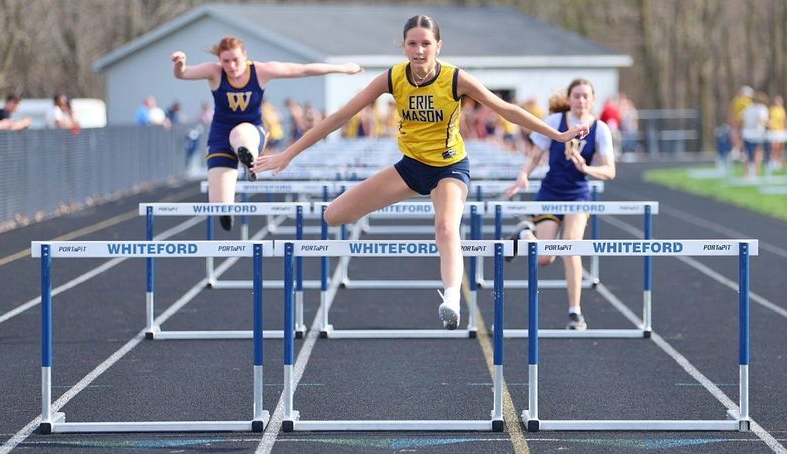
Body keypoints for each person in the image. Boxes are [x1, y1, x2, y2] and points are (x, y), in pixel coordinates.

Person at [253, 15, 588, 330]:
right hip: (411, 167)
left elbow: (507, 109)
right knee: (333, 216)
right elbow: (340, 116)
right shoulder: (393, 77)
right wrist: (289, 154)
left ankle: (453, 299)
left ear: (438, 46)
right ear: (403, 47)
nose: (419, 50)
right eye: (412, 44)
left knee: (445, 227)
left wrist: (556, 135)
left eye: (425, 43)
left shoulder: (455, 79)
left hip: (449, 168)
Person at [171, 36, 362, 230]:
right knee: (219, 206)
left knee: (239, 134)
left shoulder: (261, 70)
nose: (231, 66)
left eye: (235, 60)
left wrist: (344, 68)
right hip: (220, 135)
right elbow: (183, 74)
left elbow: (302, 69)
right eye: (225, 61)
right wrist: (180, 64)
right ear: (220, 60)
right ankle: (226, 208)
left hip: (251, 131)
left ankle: (249, 159)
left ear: (245, 55)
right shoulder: (214, 71)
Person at [504, 78, 616, 330]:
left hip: (578, 194)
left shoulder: (601, 129)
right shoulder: (555, 122)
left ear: (593, 99)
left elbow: (610, 171)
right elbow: (536, 155)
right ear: (569, 98)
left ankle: (575, 312)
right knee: (544, 258)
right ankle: (524, 234)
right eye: (576, 96)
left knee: (571, 247)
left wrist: (586, 168)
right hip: (551, 192)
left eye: (586, 96)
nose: (581, 101)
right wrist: (523, 175)